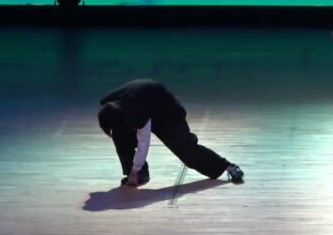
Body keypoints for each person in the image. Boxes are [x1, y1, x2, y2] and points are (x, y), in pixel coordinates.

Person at [98, 79, 244, 187]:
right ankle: (140, 175)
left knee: (188, 152)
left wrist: (135, 169)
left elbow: (144, 143)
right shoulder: (110, 105)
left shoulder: (138, 111)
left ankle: (228, 166)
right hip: (144, 104)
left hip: (167, 114)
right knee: (120, 136)